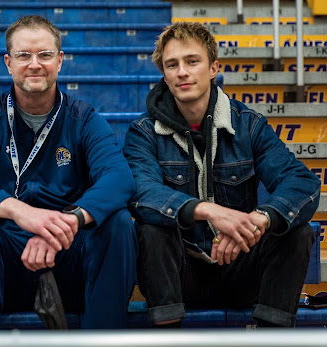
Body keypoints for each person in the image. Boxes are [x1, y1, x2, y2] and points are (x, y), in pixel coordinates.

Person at [0, 15, 137, 330]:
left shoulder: (83, 119)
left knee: (118, 222)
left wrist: (67, 224)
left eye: (44, 55)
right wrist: (21, 213)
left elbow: (119, 178)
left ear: (59, 61)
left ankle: (101, 339)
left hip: (67, 257)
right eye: (23, 56)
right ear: (8, 62)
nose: (34, 64)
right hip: (5, 260)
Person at [123, 22, 320, 328]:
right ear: (164, 75)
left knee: (298, 231)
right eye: (172, 65)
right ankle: (168, 337)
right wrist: (208, 212)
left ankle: (273, 337)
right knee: (150, 230)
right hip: (182, 272)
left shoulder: (248, 125)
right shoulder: (143, 131)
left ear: (213, 68)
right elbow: (142, 193)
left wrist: (257, 220)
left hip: (240, 266)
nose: (182, 72)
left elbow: (302, 182)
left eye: (192, 61)